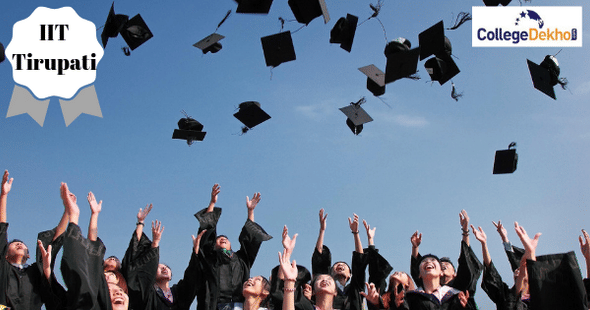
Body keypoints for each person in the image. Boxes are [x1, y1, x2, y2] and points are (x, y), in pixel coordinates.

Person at [195, 184, 272, 310]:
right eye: (218, 239)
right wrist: (212, 203)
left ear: (231, 245)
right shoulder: (209, 258)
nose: (222, 239)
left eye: (225, 238)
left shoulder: (241, 259)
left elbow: (249, 239)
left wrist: (250, 212)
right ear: (214, 245)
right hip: (212, 306)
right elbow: (205, 234)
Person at [0, 170, 67, 310]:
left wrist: (68, 211)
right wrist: (4, 195)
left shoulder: (36, 272)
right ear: (6, 254)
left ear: (28, 255)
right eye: (13, 244)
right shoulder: (3, 268)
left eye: (22, 244)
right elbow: (1, 230)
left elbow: (53, 243)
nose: (19, 244)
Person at [122, 204, 205, 310]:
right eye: (159, 267)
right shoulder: (148, 294)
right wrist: (143, 227)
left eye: (166, 267)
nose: (164, 268)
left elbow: (192, 277)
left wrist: (196, 251)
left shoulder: (179, 292)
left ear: (171, 275)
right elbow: (134, 262)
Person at [409, 210, 481, 309]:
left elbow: (465, 262)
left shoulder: (457, 291)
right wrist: (415, 248)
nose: (443, 265)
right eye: (441, 264)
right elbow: (418, 270)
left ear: (455, 273)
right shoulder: (415, 296)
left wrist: (465, 232)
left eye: (446, 264)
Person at [364, 254, 471, 310]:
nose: (428, 261)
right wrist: (377, 304)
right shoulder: (410, 298)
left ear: (441, 272)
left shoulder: (455, 295)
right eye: (424, 261)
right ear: (419, 274)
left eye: (433, 260)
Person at [311, 209, 368, 310]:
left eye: (344, 266)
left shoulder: (355, 289)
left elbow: (360, 261)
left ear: (350, 274)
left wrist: (355, 233)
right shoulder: (324, 286)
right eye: (336, 265)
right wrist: (322, 230)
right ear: (330, 273)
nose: (340, 266)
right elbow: (318, 259)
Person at [471, 223, 530, 310]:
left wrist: (505, 239)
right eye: (516, 269)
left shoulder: (541, 295)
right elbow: (491, 271)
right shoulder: (505, 295)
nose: (517, 271)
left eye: (521, 269)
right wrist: (484, 243)